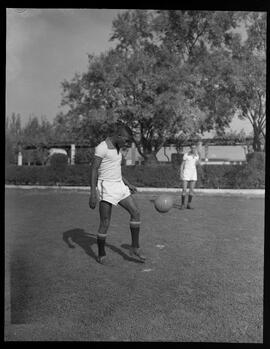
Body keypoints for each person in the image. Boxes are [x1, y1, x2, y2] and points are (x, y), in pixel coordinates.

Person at [89, 124, 146, 264]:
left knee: (136, 212)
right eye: (125, 140)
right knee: (105, 222)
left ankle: (134, 247)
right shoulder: (102, 147)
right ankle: (101, 254)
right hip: (106, 187)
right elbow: (94, 170)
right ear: (119, 136)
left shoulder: (118, 147)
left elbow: (116, 169)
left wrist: (128, 184)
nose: (126, 143)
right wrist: (92, 193)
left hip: (119, 185)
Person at [179, 144, 200, 209]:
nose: (193, 149)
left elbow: (197, 164)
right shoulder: (186, 155)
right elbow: (182, 165)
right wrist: (181, 173)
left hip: (193, 174)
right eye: (192, 148)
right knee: (184, 190)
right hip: (186, 173)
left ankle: (188, 205)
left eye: (194, 148)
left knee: (191, 190)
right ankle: (182, 205)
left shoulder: (197, 156)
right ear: (190, 148)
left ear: (196, 148)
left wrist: (198, 160)